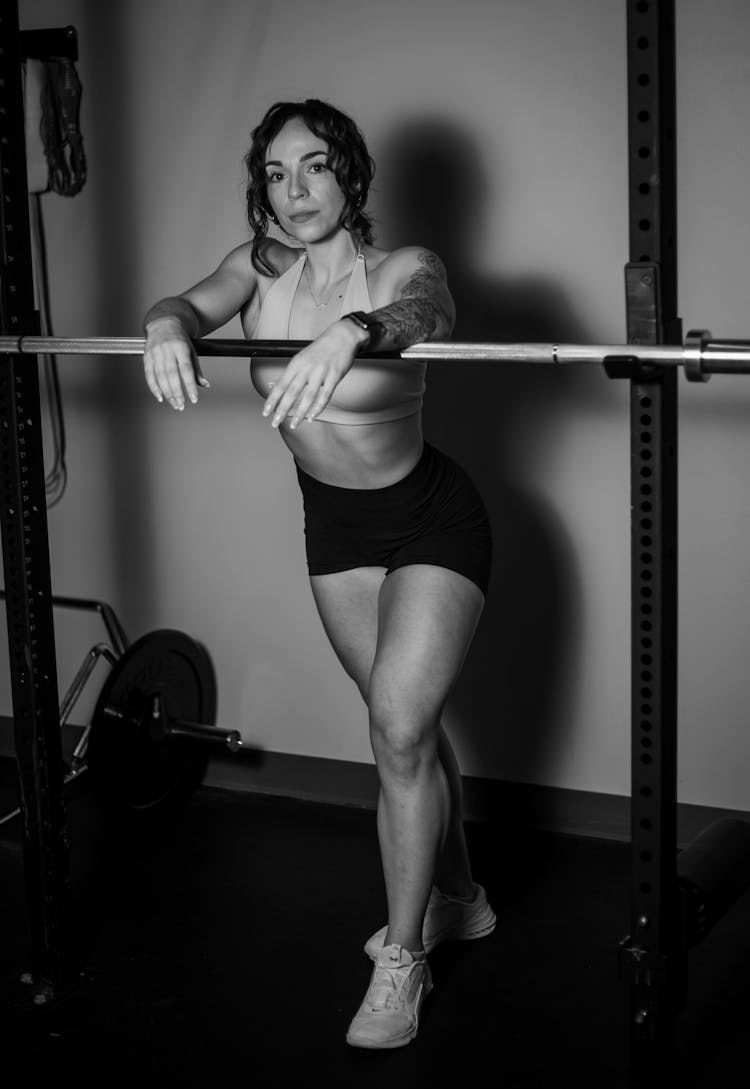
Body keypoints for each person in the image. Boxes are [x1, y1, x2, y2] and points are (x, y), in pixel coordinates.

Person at [142, 98, 496, 1050]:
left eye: (314, 168)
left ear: (351, 175)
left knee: (396, 722)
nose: (293, 191)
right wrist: (166, 325)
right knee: (404, 723)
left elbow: (425, 311)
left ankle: (405, 958)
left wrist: (352, 330)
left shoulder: (402, 268)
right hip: (336, 529)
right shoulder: (257, 269)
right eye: (274, 173)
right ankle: (460, 895)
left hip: (432, 518)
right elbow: (185, 303)